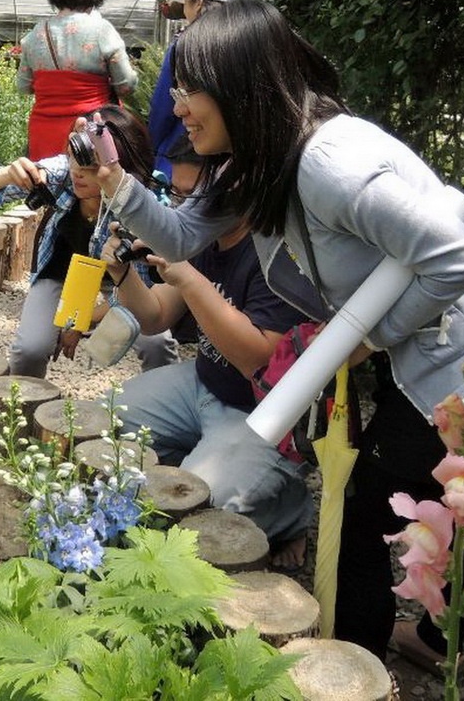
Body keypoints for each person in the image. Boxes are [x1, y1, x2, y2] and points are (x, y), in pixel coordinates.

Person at [93, 0, 464, 665]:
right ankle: (432, 643)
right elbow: (179, 236)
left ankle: (353, 665)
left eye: (189, 88)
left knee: (367, 519)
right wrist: (116, 183)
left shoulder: (329, 165)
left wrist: (369, 338)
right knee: (434, 499)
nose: (176, 106)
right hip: (417, 347)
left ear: (240, 84)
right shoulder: (261, 159)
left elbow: (460, 259)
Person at [101, 211, 312, 567]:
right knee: (102, 423)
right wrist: (122, 273)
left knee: (202, 509)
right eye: (180, 193)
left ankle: (288, 510)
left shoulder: (277, 254)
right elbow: (154, 317)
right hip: (203, 381)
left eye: (193, 193)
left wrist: (190, 280)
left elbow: (258, 366)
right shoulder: (203, 238)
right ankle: (193, 463)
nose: (184, 206)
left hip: (260, 413)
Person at [0, 105, 176, 378]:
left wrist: (82, 320)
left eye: (92, 165)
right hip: (60, 266)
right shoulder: (61, 174)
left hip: (121, 275)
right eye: (74, 158)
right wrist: (8, 174)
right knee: (30, 349)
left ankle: (164, 400)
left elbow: (145, 292)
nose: (78, 172)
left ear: (122, 166)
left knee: (157, 343)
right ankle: (21, 406)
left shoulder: (139, 204)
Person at [16, 0, 138, 159]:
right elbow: (126, 85)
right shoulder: (102, 30)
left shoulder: (35, 35)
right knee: (88, 186)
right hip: (91, 130)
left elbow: (23, 86)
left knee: (49, 183)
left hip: (44, 130)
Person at [148, 0, 238, 178]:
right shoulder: (239, 43)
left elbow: (163, 106)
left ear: (198, 2)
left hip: (182, 154)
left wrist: (151, 146)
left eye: (186, 4)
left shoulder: (184, 46)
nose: (185, 11)